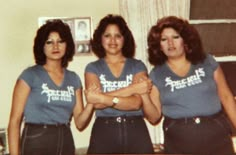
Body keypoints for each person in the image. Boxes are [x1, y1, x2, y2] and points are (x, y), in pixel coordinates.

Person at [145, 16, 236, 154]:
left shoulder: (207, 62)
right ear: (158, 45)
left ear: (185, 41)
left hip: (216, 134)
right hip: (179, 140)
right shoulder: (156, 74)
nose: (170, 43)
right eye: (164, 39)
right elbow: (154, 117)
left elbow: (227, 97)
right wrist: (143, 95)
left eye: (175, 37)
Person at [8, 19, 93, 155]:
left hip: (65, 140)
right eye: (49, 42)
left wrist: (91, 104)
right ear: (42, 46)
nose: (55, 46)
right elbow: (14, 121)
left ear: (67, 45)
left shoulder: (73, 79)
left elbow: (80, 123)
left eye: (60, 41)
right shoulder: (30, 75)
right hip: (36, 140)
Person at [84, 14, 157, 154]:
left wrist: (103, 98)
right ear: (100, 39)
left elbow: (136, 103)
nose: (113, 40)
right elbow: (96, 104)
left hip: (136, 130)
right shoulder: (92, 68)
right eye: (107, 35)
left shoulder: (138, 66)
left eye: (118, 35)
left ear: (124, 39)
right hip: (104, 132)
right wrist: (132, 88)